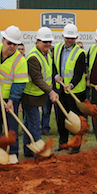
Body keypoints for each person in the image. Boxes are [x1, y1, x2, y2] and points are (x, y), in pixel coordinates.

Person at [0, 25, 27, 164]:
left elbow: (19, 83)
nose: (12, 46)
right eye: (9, 43)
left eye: (15, 44)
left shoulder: (20, 60)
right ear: (3, 40)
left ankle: (12, 153)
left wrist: (12, 100)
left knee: (11, 127)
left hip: (9, 98)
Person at [22, 27, 59, 157]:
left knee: (28, 122)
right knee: (34, 123)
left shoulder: (46, 53)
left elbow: (47, 73)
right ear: (37, 41)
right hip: (30, 94)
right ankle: (38, 152)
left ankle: (28, 150)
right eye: (45, 41)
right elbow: (37, 79)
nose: (48, 44)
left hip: (38, 94)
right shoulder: (33, 57)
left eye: (49, 41)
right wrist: (51, 91)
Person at [53, 23, 87, 153]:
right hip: (60, 90)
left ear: (76, 38)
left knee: (75, 120)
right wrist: (56, 76)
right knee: (60, 118)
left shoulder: (80, 53)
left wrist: (71, 84)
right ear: (63, 36)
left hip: (75, 92)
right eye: (67, 37)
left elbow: (79, 73)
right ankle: (63, 143)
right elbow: (54, 65)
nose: (69, 40)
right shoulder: (56, 49)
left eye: (72, 38)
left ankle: (75, 145)